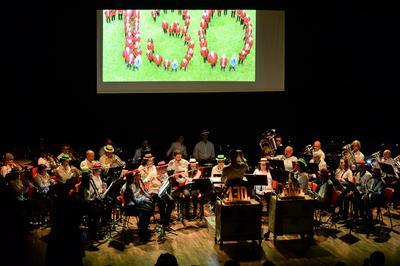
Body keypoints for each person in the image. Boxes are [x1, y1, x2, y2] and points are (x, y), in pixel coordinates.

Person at [120, 170, 154, 242]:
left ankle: (143, 228)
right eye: (133, 177)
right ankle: (142, 232)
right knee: (147, 210)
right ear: (131, 178)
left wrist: (144, 199)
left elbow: (136, 199)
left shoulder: (131, 184)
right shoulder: (127, 187)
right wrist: (144, 200)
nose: (134, 178)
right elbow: (135, 201)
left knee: (149, 208)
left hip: (134, 204)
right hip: (129, 207)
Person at [145, 161, 174, 236]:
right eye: (164, 168)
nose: (165, 170)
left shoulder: (165, 174)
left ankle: (165, 222)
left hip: (162, 192)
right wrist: (150, 181)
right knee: (161, 203)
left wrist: (161, 180)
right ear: (160, 168)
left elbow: (165, 185)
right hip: (154, 191)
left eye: (165, 168)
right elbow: (145, 181)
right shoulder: (153, 173)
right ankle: (163, 223)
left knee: (171, 202)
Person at [80, 162, 107, 241]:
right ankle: (93, 234)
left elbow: (100, 190)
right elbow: (91, 193)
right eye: (99, 170)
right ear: (95, 171)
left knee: (106, 208)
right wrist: (101, 190)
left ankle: (101, 228)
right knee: (96, 213)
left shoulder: (99, 177)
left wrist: (103, 188)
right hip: (90, 201)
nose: (100, 171)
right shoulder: (90, 179)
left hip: (97, 199)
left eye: (100, 170)